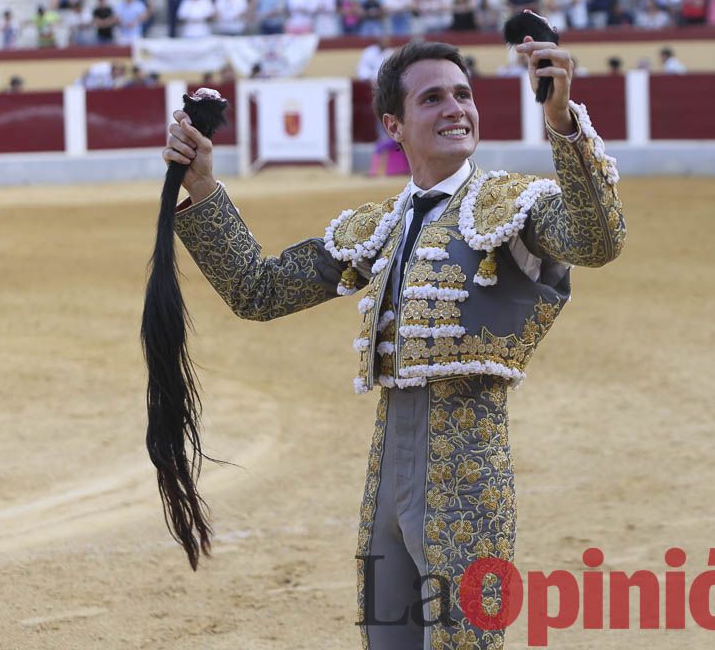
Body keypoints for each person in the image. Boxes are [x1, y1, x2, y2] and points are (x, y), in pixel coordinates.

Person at [162, 38, 625, 650]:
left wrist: (563, 123)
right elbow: (260, 289)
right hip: (388, 468)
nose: (455, 108)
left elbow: (598, 240)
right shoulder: (382, 224)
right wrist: (203, 187)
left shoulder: (515, 206)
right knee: (388, 641)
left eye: (463, 94)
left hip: (469, 469)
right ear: (394, 126)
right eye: (432, 98)